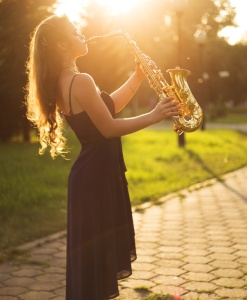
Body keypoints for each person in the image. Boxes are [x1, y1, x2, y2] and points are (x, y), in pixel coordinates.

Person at [25, 14, 180, 300]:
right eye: (75, 32)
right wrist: (154, 114)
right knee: (97, 261)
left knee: (93, 263)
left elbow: (106, 108)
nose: (82, 34)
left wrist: (137, 77)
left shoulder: (65, 80)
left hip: (91, 178)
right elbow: (108, 128)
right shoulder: (81, 80)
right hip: (96, 179)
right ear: (61, 44)